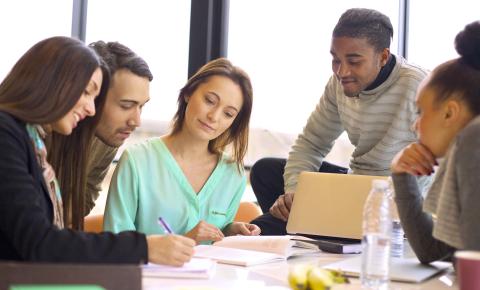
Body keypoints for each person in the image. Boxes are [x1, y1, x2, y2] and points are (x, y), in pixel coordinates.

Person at [0, 36, 194, 265]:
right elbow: (40, 243)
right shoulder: (8, 135)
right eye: (86, 93)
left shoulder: (32, 139)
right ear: (51, 83)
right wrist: (143, 247)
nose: (91, 109)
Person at [250, 8, 430, 235]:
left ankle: (309, 232)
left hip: (395, 200)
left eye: (354, 61)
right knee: (265, 171)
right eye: (335, 60)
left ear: (383, 57)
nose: (342, 71)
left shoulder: (419, 86)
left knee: (263, 228)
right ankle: (303, 231)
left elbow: (439, 162)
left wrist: (398, 211)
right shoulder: (338, 84)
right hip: (354, 188)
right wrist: (294, 194)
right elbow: (311, 145)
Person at [104, 58, 261, 243]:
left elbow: (216, 240)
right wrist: (187, 240)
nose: (214, 116)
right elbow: (115, 248)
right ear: (189, 93)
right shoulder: (137, 161)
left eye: (228, 114)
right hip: (148, 273)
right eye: (209, 101)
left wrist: (229, 231)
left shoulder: (233, 174)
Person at [391, 21, 480, 264]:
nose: (415, 124)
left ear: (450, 113)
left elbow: (473, 264)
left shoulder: (474, 139)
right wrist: (402, 175)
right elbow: (434, 250)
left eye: (420, 111)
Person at [47, 41, 152, 229]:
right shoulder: (33, 134)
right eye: (126, 105)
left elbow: (85, 197)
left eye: (141, 106)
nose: (136, 121)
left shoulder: (109, 136)